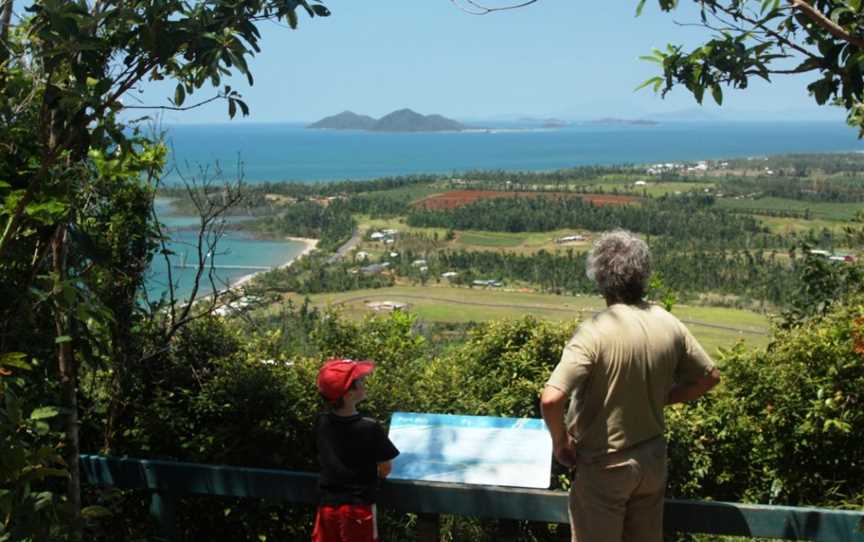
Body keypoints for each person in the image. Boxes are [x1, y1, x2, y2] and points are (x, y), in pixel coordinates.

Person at [540, 230, 721, 542]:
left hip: (605, 466)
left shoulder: (595, 331)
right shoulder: (667, 321)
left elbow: (551, 399)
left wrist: (561, 442)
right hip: (651, 461)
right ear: (643, 275)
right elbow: (709, 378)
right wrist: (662, 398)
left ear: (599, 277)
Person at [313, 358, 400, 542]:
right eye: (359, 381)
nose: (364, 383)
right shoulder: (370, 427)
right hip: (358, 508)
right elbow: (385, 468)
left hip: (327, 507)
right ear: (348, 394)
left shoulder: (321, 422)